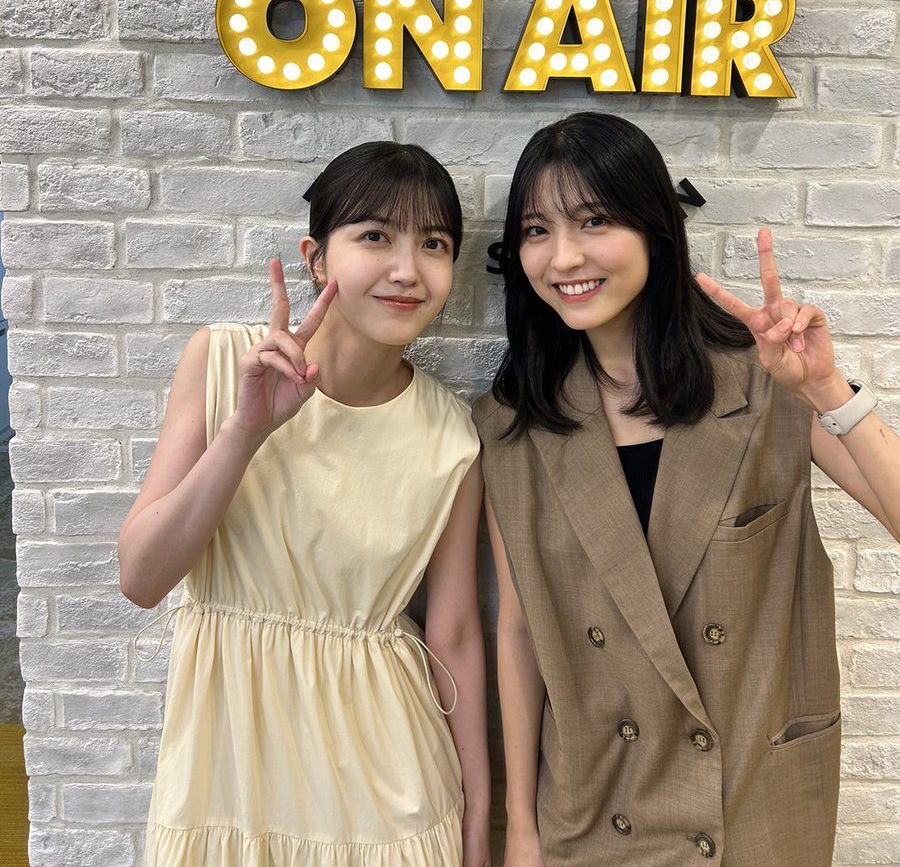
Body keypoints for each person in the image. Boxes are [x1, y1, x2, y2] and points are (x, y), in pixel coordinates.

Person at [473, 111, 900, 867]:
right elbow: (519, 631)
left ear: (654, 230)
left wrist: (826, 389)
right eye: (537, 230)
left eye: (594, 220)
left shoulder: (762, 380)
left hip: (750, 801)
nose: (563, 256)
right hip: (599, 804)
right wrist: (524, 831)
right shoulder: (513, 424)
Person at [118, 142, 491, 867]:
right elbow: (141, 578)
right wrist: (245, 431)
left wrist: (478, 825)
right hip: (227, 779)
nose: (408, 270)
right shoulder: (223, 362)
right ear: (316, 259)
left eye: (434, 244)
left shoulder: (452, 435)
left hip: (390, 783)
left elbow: (455, 635)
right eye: (375, 236)